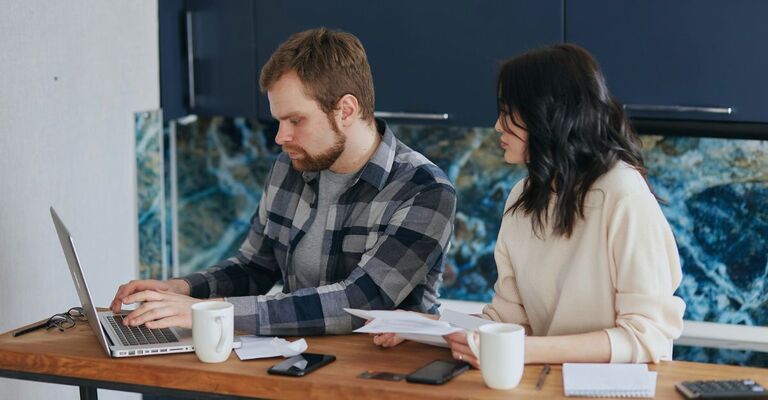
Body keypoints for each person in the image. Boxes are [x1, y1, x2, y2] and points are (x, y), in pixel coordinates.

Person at [110, 28, 457, 336]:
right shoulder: (290, 166)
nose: (281, 136)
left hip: (382, 376)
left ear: (346, 110)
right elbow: (256, 267)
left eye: (295, 120)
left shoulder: (424, 190)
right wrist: (182, 289)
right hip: (300, 363)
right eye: (279, 120)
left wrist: (212, 313)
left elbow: (359, 302)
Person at [373, 44, 685, 366]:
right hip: (546, 384)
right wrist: (428, 327)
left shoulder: (622, 193)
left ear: (548, 114)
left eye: (509, 112)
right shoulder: (522, 197)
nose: (497, 125)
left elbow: (648, 335)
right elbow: (509, 319)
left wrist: (522, 351)